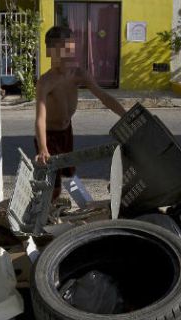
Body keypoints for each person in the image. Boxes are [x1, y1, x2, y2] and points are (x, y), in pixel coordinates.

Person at [34, 25, 127, 201]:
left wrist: (125, 115)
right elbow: (40, 118)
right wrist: (43, 148)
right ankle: (44, 214)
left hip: (66, 131)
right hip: (48, 135)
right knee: (51, 182)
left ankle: (78, 207)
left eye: (71, 50)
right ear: (50, 52)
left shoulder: (78, 74)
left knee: (69, 174)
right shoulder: (46, 82)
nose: (69, 55)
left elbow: (104, 96)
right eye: (63, 51)